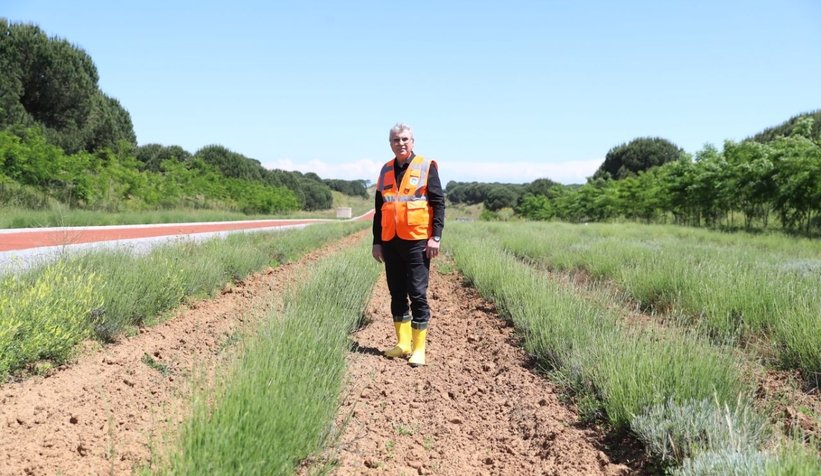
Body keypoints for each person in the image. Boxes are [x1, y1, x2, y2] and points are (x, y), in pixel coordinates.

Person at [372, 123, 445, 367]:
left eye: (405, 139)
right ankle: (402, 344)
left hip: (416, 241)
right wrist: (377, 242)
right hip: (390, 241)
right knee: (396, 293)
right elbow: (379, 209)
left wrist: (435, 237)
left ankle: (419, 349)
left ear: (412, 142)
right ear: (390, 144)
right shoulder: (385, 171)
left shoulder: (426, 166)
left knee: (417, 293)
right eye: (395, 140)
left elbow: (438, 203)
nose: (400, 143)